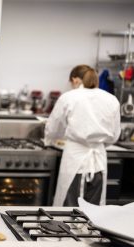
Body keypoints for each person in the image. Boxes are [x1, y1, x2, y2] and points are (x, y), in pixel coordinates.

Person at [44, 65, 120, 206]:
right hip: (99, 162)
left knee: (69, 212)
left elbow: (54, 128)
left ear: (75, 80)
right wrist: (97, 143)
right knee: (93, 213)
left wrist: (50, 141)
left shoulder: (69, 97)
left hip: (75, 160)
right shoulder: (111, 99)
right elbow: (115, 135)